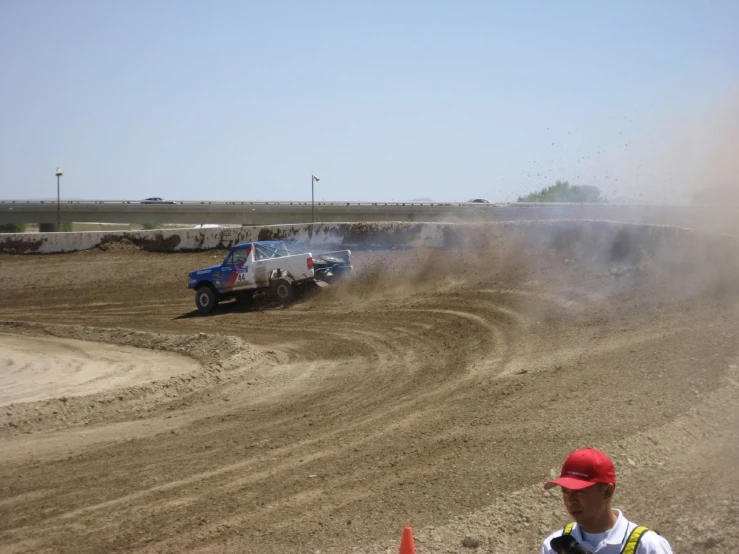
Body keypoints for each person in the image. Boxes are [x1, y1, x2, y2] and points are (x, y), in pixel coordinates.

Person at [541, 447, 673, 554]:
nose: (570, 501)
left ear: (607, 492)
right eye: (565, 491)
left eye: (579, 491)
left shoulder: (648, 546)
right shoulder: (554, 546)